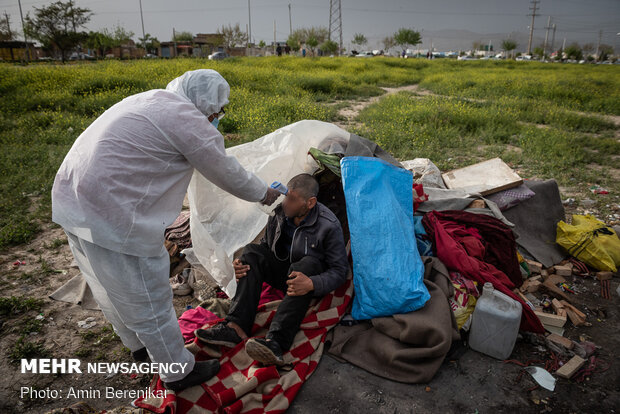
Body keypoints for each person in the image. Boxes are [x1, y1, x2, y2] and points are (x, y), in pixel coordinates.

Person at [51, 69, 281, 392]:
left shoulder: (152, 101)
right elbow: (226, 171)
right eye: (217, 109)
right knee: (149, 292)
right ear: (203, 102)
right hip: (109, 210)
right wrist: (265, 194)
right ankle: (178, 372)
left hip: (72, 198)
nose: (218, 117)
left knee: (109, 287)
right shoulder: (184, 118)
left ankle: (142, 350)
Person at [195, 174, 349, 365]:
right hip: (285, 275)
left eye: (292, 200)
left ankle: (275, 342)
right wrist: (243, 265)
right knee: (251, 252)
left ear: (310, 203)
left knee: (308, 264)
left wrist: (312, 283)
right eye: (286, 196)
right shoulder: (281, 214)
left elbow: (339, 271)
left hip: (306, 282)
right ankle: (236, 326)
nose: (286, 203)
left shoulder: (328, 225)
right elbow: (265, 248)